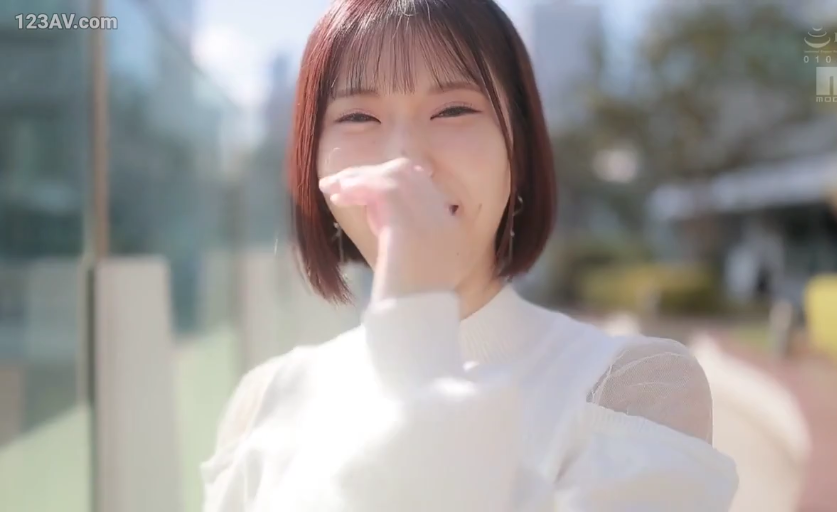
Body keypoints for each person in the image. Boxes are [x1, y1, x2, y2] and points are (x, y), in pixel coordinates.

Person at [201, 0, 739, 510]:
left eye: (453, 110)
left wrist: (415, 321)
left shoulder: (630, 389)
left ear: (517, 152)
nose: (405, 158)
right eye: (358, 117)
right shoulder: (262, 401)